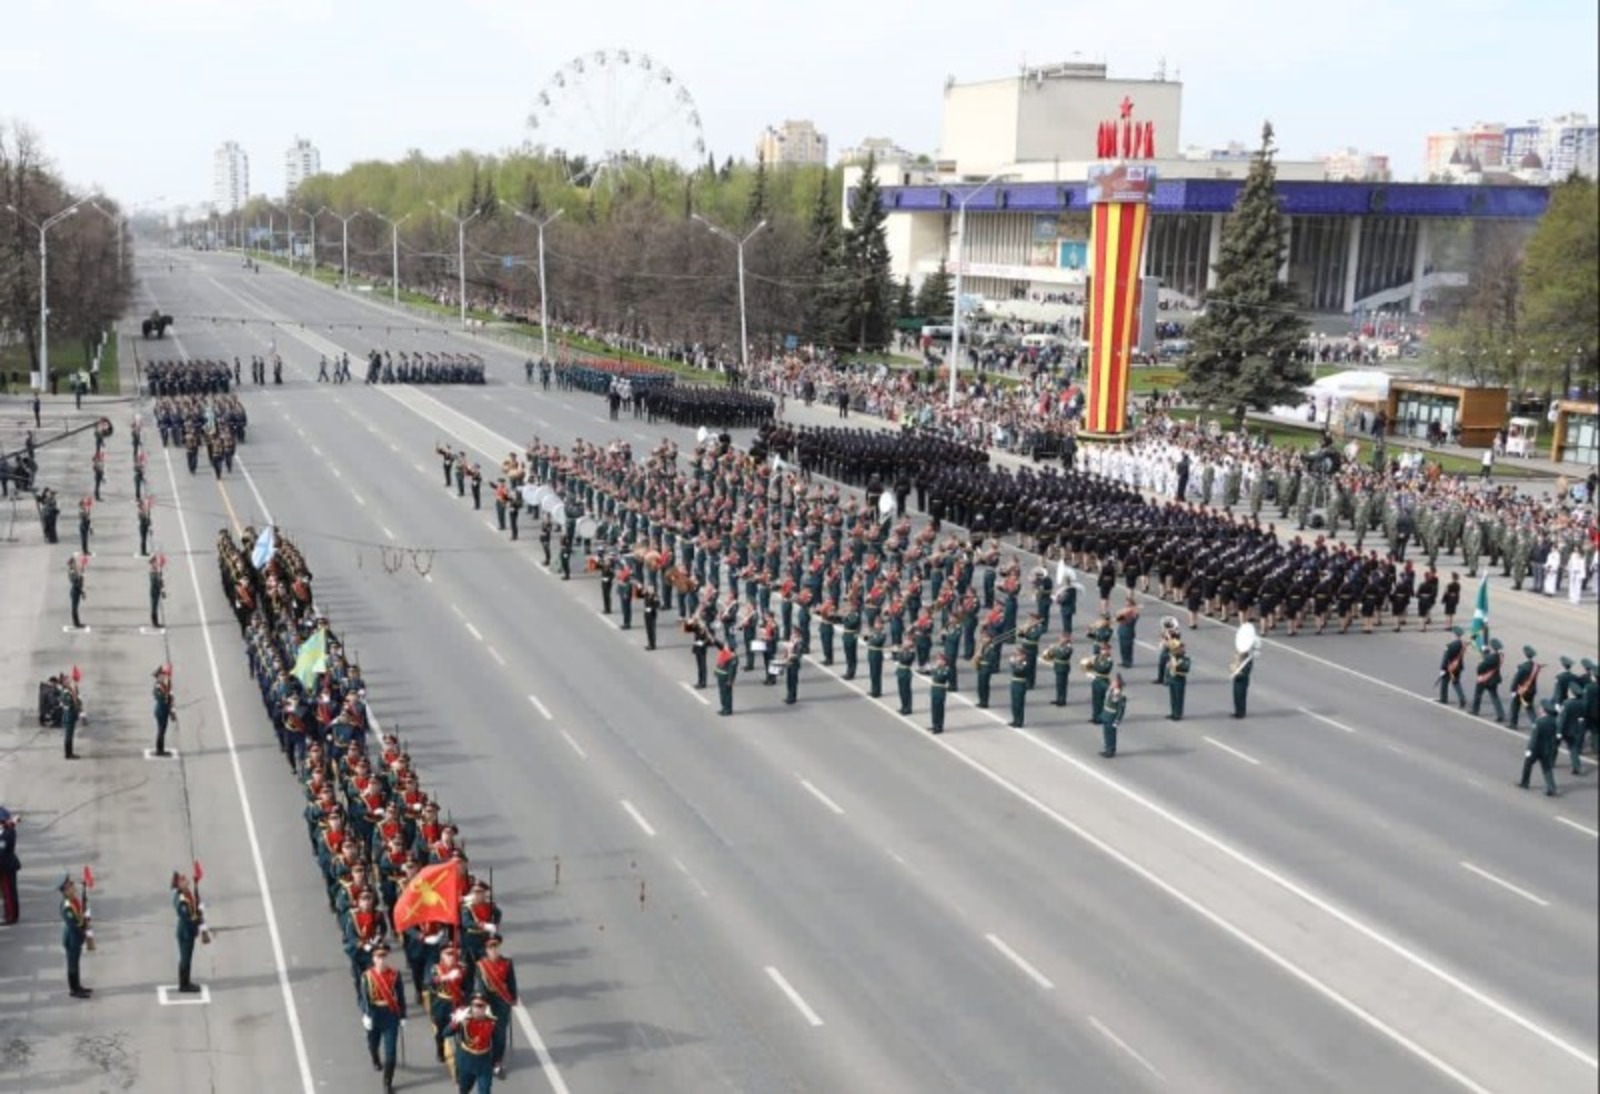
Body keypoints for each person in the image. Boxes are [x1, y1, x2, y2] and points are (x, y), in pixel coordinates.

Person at [359, 941, 407, 1093]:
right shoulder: (367, 976)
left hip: (390, 1015)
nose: (381, 960)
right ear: (373, 958)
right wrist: (366, 1014)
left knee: (391, 1053)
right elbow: (364, 998)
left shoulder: (395, 975)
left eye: (383, 956)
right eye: (378, 957)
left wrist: (403, 1015)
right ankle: (374, 1057)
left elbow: (400, 996)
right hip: (374, 1014)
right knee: (373, 1043)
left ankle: (387, 1081)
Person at [474, 934, 520, 1079]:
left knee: (500, 1035)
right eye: (490, 947)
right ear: (486, 950)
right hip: (487, 1003)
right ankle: (483, 1060)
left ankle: (497, 1063)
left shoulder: (507, 963)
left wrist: (513, 998)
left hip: (502, 1003)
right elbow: (480, 987)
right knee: (484, 1034)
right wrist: (483, 1004)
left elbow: (511, 982)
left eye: (495, 946)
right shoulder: (481, 966)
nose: (493, 950)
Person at [449, 992, 498, 1093]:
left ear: (485, 1007)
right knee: (464, 1089)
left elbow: (497, 1043)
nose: (477, 1008)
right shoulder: (464, 1020)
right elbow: (446, 1033)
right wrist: (455, 1022)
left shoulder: (491, 1023)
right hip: (466, 1060)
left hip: (484, 1062)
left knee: (485, 1090)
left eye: (480, 1005)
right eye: (474, 1005)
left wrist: (496, 1061)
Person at [1518, 699, 1561, 797]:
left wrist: (1529, 750)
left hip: (1537, 749)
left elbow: (1534, 738)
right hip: (1548, 749)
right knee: (1547, 769)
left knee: (1528, 764)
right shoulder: (1554, 721)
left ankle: (1525, 782)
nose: (1539, 709)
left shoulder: (1539, 722)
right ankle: (1551, 787)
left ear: (1544, 710)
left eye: (1541, 708)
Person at [172, 871, 205, 993]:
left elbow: (195, 902)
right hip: (185, 932)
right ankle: (183, 984)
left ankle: (186, 981)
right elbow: (187, 917)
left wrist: (196, 884)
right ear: (179, 885)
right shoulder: (181, 900)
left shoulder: (186, 894)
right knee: (185, 958)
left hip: (188, 930)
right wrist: (198, 922)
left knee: (187, 958)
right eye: (183, 880)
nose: (186, 880)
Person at [60, 874, 92, 999]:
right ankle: (74, 989)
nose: (73, 887)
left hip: (76, 938)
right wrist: (83, 932)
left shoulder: (73, 900)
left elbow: (81, 910)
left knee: (76, 963)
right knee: (72, 964)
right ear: (65, 891)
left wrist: (85, 889)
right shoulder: (66, 906)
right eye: (70, 886)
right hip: (72, 939)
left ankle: (78, 986)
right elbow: (74, 925)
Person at [1471, 638, 1506, 723]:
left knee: (1478, 694)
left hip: (1485, 678)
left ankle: (1475, 710)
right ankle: (1500, 714)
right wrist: (1484, 653)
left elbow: (1481, 667)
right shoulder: (1499, 656)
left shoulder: (1491, 658)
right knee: (1495, 697)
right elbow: (1488, 657)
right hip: (1494, 679)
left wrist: (1479, 674)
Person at [1437, 626, 1467, 707]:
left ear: (1454, 635)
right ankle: (1462, 698)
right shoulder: (1463, 644)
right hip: (1458, 666)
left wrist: (1443, 668)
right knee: (1456, 683)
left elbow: (1445, 658)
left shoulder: (1449, 645)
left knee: (1444, 682)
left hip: (1449, 667)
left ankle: (1444, 698)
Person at [1099, 674, 1127, 758]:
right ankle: (1107, 748)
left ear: (1117, 684)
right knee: (1106, 733)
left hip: (1112, 717)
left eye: (1114, 681)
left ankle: (1111, 749)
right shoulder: (1111, 690)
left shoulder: (1119, 696)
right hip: (1106, 715)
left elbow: (1120, 710)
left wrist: (1117, 720)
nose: (1112, 682)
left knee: (1111, 734)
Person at [0, 808, 18, 924]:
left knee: (9, 893)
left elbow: (2, 849)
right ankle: (10, 914)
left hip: (5, 867)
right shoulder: (7, 831)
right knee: (8, 893)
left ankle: (11, 916)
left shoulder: (8, 833)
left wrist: (11, 824)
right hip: (5, 866)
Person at [152, 666, 176, 756]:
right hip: (160, 710)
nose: (167, 676)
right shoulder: (159, 684)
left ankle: (161, 749)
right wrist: (166, 698)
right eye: (166, 674)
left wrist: (171, 712)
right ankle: (159, 750)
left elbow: (170, 698)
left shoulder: (166, 683)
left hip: (164, 709)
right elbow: (158, 696)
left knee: (163, 730)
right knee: (161, 730)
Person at [1167, 642, 1190, 721]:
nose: (1177, 650)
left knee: (1179, 697)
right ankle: (1173, 712)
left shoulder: (1185, 658)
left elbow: (1185, 669)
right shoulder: (1173, 657)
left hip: (1179, 678)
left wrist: (1176, 665)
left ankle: (1178, 714)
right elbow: (1168, 667)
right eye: (1176, 649)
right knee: (1173, 696)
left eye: (1179, 649)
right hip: (1172, 678)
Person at [61, 675, 83, 759]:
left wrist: (76, 688)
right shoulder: (65, 692)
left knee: (70, 735)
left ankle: (70, 753)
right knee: (68, 735)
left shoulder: (69, 690)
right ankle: (68, 754)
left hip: (71, 715)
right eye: (68, 680)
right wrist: (74, 696)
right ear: (64, 683)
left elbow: (76, 698)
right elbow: (71, 702)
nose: (70, 681)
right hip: (69, 715)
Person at [1006, 648, 1029, 728]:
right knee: (1014, 703)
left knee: (1019, 703)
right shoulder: (1019, 662)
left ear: (1023, 655)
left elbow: (1018, 671)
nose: (1016, 656)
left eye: (1018, 655)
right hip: (1015, 683)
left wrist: (1013, 663)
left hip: (1021, 683)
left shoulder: (1025, 663)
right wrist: (1013, 662)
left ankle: (1019, 721)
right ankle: (1015, 719)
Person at [928, 654, 950, 734]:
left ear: (944, 662)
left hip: (940, 689)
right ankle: (934, 724)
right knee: (934, 708)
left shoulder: (946, 669)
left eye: (939, 660)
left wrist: (935, 670)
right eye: (937, 660)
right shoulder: (937, 669)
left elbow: (940, 678)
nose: (937, 661)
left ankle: (939, 726)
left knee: (939, 709)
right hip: (934, 689)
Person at [1231, 643, 1254, 719]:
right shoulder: (1239, 659)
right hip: (1237, 679)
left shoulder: (1247, 661)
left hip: (1242, 680)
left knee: (1241, 695)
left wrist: (1238, 672)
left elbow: (1246, 672)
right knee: (1236, 696)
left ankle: (1241, 712)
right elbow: (1233, 665)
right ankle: (1237, 711)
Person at [714, 642, 737, 716]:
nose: (725, 646)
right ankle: (724, 707)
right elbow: (718, 644)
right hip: (721, 676)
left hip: (726, 677)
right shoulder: (725, 652)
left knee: (726, 694)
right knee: (722, 693)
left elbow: (732, 670)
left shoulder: (732, 657)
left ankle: (728, 709)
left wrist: (730, 680)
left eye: (727, 645)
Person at [894, 640, 915, 716]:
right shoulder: (902, 652)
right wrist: (900, 651)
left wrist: (901, 651)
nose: (903, 645)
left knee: (906, 691)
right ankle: (903, 706)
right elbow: (897, 657)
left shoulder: (911, 653)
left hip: (906, 672)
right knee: (901, 691)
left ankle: (908, 708)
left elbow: (905, 660)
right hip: (900, 672)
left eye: (905, 644)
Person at [68, 555, 86, 629]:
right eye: (74, 562)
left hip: (76, 590)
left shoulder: (74, 570)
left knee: (75, 608)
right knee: (74, 608)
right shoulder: (71, 571)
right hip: (75, 591)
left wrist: (82, 569)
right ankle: (76, 623)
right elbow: (76, 581)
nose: (75, 563)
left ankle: (77, 622)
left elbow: (79, 578)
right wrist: (82, 592)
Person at [149, 555, 166, 629]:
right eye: (155, 562)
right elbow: (157, 582)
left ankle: (155, 622)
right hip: (154, 591)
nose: (157, 563)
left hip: (156, 590)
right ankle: (154, 622)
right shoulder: (153, 571)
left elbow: (160, 581)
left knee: (155, 606)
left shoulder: (156, 570)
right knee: (154, 607)